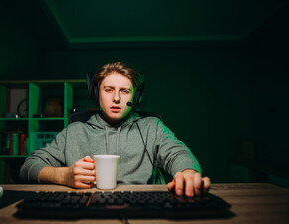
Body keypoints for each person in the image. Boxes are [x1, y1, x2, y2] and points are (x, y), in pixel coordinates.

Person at [19, 61, 210, 197]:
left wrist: (188, 173)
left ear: (136, 98)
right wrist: (63, 175)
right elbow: (29, 166)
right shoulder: (73, 132)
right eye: (108, 90)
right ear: (96, 94)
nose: (116, 98)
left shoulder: (152, 127)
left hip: (144, 210)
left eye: (125, 91)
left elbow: (177, 154)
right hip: (87, 211)